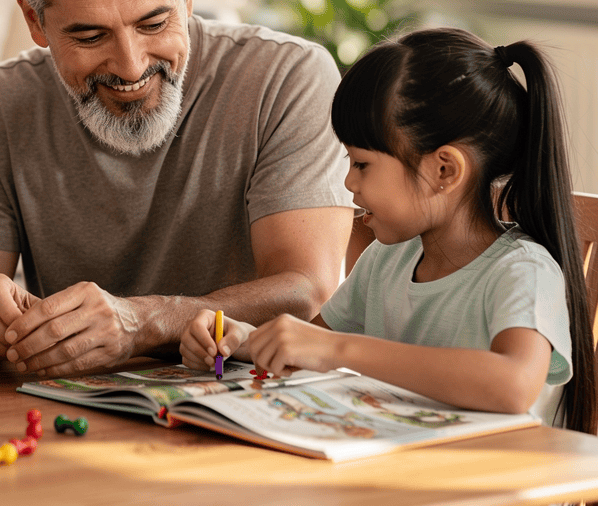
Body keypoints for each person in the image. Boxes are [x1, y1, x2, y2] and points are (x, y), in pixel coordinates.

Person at [0, 0, 354, 378]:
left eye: (154, 23)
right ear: (34, 19)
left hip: (250, 393)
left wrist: (145, 321)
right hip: (73, 406)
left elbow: (307, 289)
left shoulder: (287, 76)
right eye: (89, 36)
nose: (130, 65)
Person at [181, 27, 596, 432]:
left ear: (444, 170)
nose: (348, 182)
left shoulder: (522, 271)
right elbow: (311, 343)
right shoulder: (386, 260)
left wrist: (343, 350)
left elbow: (513, 385)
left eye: (361, 163)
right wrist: (241, 339)